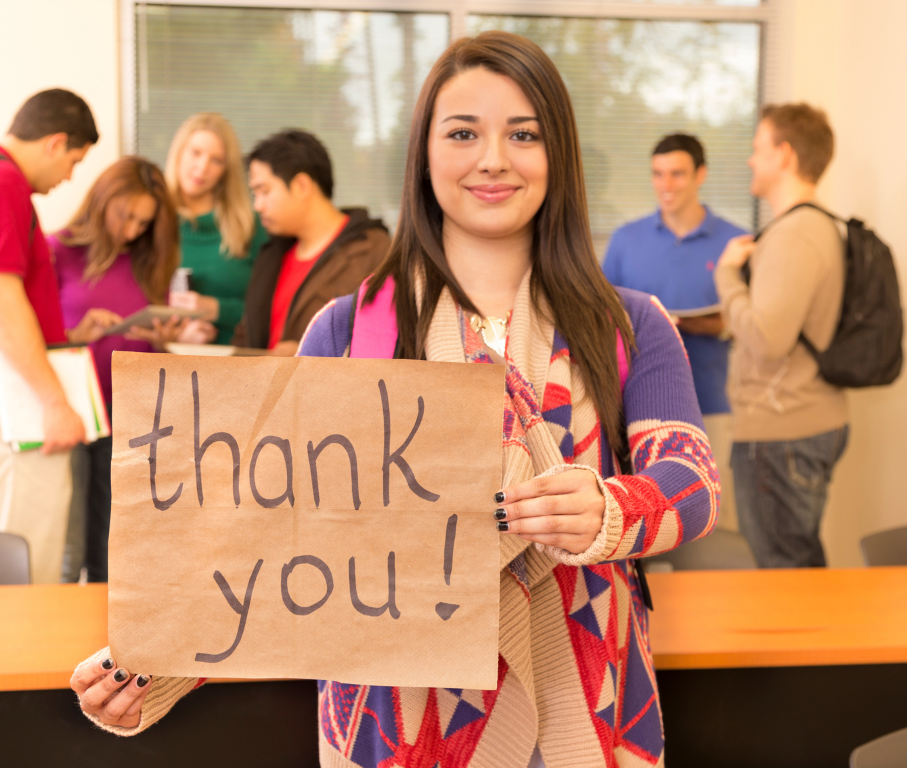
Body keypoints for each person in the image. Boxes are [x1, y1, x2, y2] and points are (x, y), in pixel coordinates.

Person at [70, 32, 719, 766]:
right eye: (464, 133)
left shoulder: (631, 322)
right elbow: (273, 537)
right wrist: (152, 661)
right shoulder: (349, 330)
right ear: (424, 154)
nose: (493, 158)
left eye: (524, 134)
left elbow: (691, 483)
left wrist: (609, 510)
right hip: (396, 724)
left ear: (558, 155)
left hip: (589, 707)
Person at [0, 89, 118, 585]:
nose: (69, 177)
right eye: (75, 161)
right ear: (55, 142)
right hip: (10, 403)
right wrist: (54, 402)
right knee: (17, 575)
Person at [714, 103, 847, 568]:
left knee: (784, 576)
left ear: (784, 155)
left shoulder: (795, 234)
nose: (750, 160)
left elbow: (769, 340)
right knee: (796, 566)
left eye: (757, 148)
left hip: (781, 431)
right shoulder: (817, 227)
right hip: (801, 421)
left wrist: (728, 275)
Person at [603, 134, 746, 531]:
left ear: (701, 175)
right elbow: (597, 319)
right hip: (632, 410)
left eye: (678, 174)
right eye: (658, 174)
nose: (666, 185)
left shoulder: (735, 242)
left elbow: (750, 319)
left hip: (713, 402)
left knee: (714, 522)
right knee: (642, 518)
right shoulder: (625, 241)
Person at [50, 156, 182, 583]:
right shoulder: (57, 251)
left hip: (129, 422)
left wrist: (165, 338)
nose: (131, 231)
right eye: (126, 216)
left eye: (143, 223)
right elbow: (41, 340)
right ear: (102, 198)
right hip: (73, 417)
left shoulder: (147, 261)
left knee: (114, 555)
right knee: (65, 552)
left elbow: (155, 353)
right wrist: (79, 332)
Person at [231, 130, 390, 355]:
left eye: (264, 191)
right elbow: (245, 339)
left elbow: (387, 343)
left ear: (301, 186)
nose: (257, 205)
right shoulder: (271, 255)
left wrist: (308, 353)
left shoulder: (373, 251)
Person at [165, 113, 267, 345]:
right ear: (179, 152)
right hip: (163, 369)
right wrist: (172, 336)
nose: (202, 167)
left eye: (216, 160)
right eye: (196, 153)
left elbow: (273, 310)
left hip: (239, 367)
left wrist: (216, 309)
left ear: (226, 171)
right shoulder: (152, 222)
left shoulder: (250, 226)